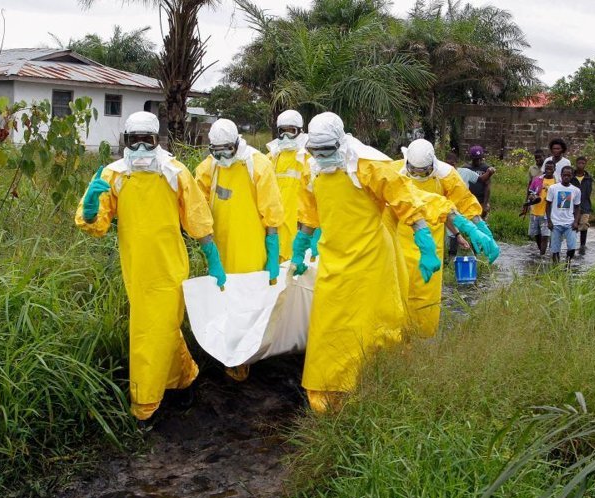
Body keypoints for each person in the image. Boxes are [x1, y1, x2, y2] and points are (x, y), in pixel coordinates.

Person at [288, 112, 455, 413]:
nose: (322, 157)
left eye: (327, 151)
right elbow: (310, 213)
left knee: (373, 326)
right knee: (329, 328)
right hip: (334, 261)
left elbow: (404, 199)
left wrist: (425, 242)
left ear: (341, 143)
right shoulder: (311, 168)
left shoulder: (368, 165)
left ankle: (375, 384)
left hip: (372, 261)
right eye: (316, 151)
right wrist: (299, 248)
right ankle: (328, 392)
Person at [75, 111, 226, 425]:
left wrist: (212, 257)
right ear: (126, 141)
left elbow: (196, 216)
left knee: (150, 330)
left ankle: (145, 402)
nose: (142, 147)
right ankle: (185, 380)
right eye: (136, 140)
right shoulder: (113, 175)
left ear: (158, 140)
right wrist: (90, 211)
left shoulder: (174, 172)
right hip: (136, 268)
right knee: (163, 328)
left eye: (149, 140)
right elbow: (97, 224)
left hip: (170, 267)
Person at [195, 118, 284, 381]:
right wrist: (208, 250)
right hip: (220, 249)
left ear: (237, 144)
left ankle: (246, 356)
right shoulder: (208, 168)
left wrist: (272, 250)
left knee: (249, 303)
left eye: (227, 150)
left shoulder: (257, 165)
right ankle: (227, 353)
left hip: (250, 249)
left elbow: (272, 212)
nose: (222, 156)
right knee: (223, 302)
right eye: (216, 150)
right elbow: (195, 205)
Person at [390, 139, 500, 337]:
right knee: (398, 291)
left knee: (426, 295)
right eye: (414, 171)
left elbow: (463, 201)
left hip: (432, 242)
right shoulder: (395, 172)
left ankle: (422, 338)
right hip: (400, 241)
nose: (418, 176)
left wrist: (480, 227)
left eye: (423, 172)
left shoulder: (447, 175)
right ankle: (398, 339)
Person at [265, 110, 316, 262]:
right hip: (275, 227)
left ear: (300, 131)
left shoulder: (310, 158)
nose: (286, 136)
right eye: (283, 131)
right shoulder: (271, 158)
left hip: (301, 227)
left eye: (291, 131)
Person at [546, 165, 582, 264]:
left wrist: (576, 222)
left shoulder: (576, 190)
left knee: (572, 247)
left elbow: (577, 207)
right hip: (555, 223)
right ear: (561, 175)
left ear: (572, 176)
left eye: (569, 175)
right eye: (564, 175)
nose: (566, 177)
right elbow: (548, 205)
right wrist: (549, 221)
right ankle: (556, 268)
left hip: (569, 223)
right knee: (555, 249)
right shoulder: (553, 188)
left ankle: (567, 264)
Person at [522, 160, 557, 255]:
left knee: (545, 236)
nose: (549, 170)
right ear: (544, 168)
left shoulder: (557, 182)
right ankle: (542, 253)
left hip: (548, 213)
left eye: (551, 168)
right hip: (535, 211)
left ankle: (542, 257)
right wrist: (532, 197)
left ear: (554, 169)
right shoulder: (537, 179)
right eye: (547, 168)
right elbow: (530, 193)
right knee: (536, 235)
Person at [464, 145, 495, 219]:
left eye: (479, 159)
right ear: (471, 158)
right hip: (469, 202)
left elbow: (487, 187)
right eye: (475, 159)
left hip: (481, 201)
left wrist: (485, 204)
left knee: (482, 222)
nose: (478, 161)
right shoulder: (466, 168)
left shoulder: (486, 168)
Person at [571, 156, 593, 255]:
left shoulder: (588, 178)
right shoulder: (571, 177)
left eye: (583, 163)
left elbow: (589, 192)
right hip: (573, 206)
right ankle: (572, 245)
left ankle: (582, 245)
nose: (580, 165)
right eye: (579, 163)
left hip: (585, 205)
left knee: (584, 225)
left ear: (585, 164)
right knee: (573, 225)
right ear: (576, 164)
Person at [520, 149, 546, 217]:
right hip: (534, 195)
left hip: (544, 194)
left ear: (544, 156)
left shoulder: (547, 167)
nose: (538, 159)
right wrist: (527, 199)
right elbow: (530, 184)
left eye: (540, 157)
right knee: (534, 214)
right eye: (536, 158)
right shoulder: (532, 168)